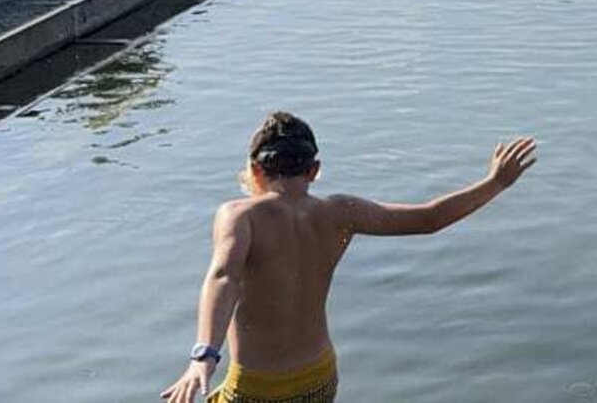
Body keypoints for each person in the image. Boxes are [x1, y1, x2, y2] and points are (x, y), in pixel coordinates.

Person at [159, 112, 537, 402]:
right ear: (314, 170)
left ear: (255, 171)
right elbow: (429, 218)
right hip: (319, 380)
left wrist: (203, 355)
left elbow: (224, 276)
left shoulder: (239, 215)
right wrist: (495, 183)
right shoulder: (340, 213)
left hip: (255, 391)